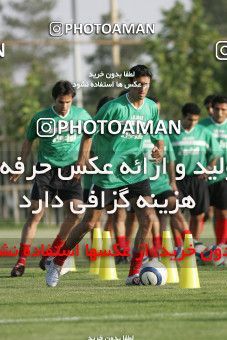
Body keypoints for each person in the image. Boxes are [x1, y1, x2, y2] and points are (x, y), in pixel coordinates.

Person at [45, 64, 164, 287]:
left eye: (146, 84)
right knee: (89, 223)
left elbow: (158, 136)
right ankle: (57, 263)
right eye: (138, 84)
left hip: (136, 173)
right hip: (109, 175)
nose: (143, 88)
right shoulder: (113, 108)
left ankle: (133, 274)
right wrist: (82, 160)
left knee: (148, 218)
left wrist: (159, 151)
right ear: (130, 84)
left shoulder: (150, 108)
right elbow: (88, 132)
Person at [10, 80, 91, 277]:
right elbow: (28, 141)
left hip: (70, 171)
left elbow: (88, 136)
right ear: (54, 100)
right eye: (61, 102)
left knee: (77, 213)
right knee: (35, 214)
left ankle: (51, 253)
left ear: (72, 100)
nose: (64, 107)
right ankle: (21, 262)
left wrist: (81, 162)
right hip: (45, 171)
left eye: (68, 102)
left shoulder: (81, 115)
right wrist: (20, 163)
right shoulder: (41, 118)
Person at [169, 103, 222, 241]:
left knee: (198, 215)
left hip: (198, 179)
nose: (193, 123)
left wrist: (209, 168)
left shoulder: (204, 132)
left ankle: (195, 247)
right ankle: (179, 247)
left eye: (196, 120)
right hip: (178, 179)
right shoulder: (172, 132)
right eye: (190, 120)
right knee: (175, 213)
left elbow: (216, 152)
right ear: (183, 117)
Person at [200, 95, 227, 246]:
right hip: (203, 177)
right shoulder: (202, 126)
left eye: (224, 109)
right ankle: (193, 248)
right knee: (200, 213)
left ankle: (221, 247)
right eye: (217, 109)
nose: (220, 112)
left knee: (222, 212)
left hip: (223, 177)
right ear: (212, 109)